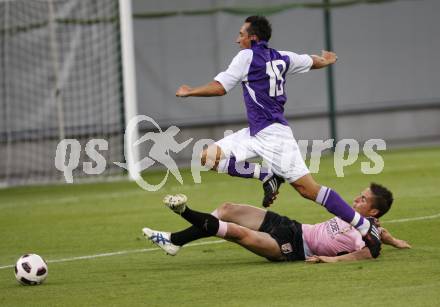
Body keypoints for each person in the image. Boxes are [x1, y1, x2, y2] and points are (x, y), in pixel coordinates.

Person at [175, 15, 378, 246]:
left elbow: (220, 88)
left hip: (274, 136)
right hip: (255, 131)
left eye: (241, 34)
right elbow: (311, 61)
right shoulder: (282, 57)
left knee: (308, 190)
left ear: (252, 38)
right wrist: (327, 60)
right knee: (208, 157)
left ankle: (364, 225)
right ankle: (266, 175)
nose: (236, 39)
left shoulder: (246, 56)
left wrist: (190, 91)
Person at [143, 183, 410, 262]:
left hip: (293, 248)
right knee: (227, 209)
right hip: (294, 227)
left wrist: (333, 260)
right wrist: (398, 242)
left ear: (373, 212)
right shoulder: (368, 226)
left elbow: (369, 252)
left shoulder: (365, 235)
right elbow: (384, 235)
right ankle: (174, 241)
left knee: (237, 233)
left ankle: (183, 212)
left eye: (362, 199)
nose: (355, 199)